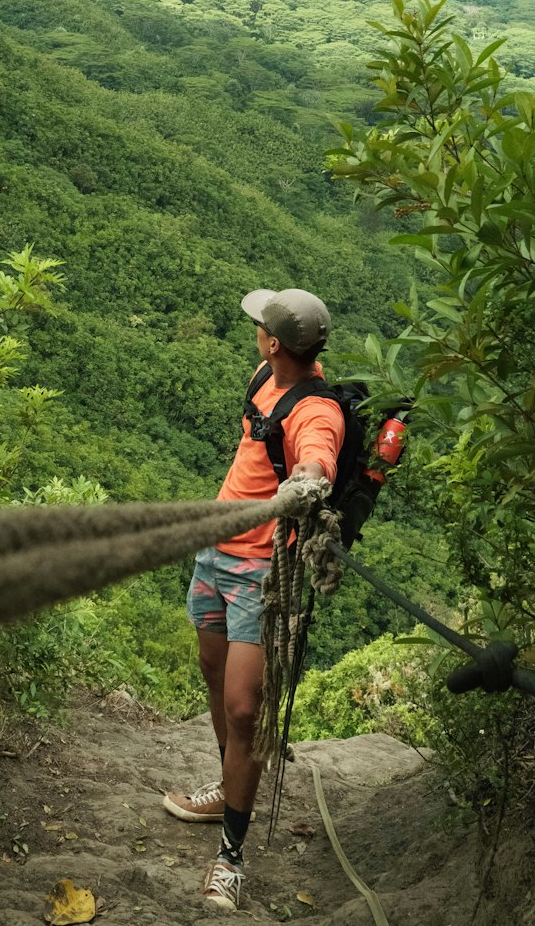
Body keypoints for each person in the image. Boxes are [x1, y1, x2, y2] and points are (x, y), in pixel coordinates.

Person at [162, 287, 344, 911]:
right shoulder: (266, 375)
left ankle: (232, 857)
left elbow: (318, 456)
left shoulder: (317, 410)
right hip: (214, 551)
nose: (255, 336)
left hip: (260, 576)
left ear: (274, 342)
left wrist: (309, 481)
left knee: (245, 710)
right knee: (214, 675)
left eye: (259, 328)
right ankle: (226, 786)